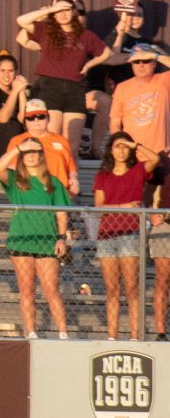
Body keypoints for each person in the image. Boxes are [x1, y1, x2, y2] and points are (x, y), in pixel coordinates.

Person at [0, 136, 72, 339]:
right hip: (22, 238)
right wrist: (18, 148)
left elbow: (61, 213)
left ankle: (63, 332)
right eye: (27, 153)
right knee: (27, 289)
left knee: (51, 289)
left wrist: (61, 237)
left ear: (41, 156)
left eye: (34, 152)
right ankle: (31, 332)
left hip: (46, 240)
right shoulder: (15, 179)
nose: (30, 156)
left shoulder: (53, 182)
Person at [16, 0, 106, 163]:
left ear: (74, 12)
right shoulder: (46, 30)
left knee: (71, 145)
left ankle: (71, 186)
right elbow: (21, 23)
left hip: (75, 88)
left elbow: (106, 53)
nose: (63, 13)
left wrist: (89, 64)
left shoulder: (85, 35)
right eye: (59, 10)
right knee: (51, 139)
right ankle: (49, 185)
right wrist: (48, 11)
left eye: (67, 9)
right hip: (50, 86)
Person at [92, 132, 154, 342]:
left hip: (130, 233)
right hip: (107, 234)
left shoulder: (137, 171)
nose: (120, 150)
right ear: (110, 150)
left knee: (131, 288)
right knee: (112, 288)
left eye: (124, 147)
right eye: (117, 146)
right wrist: (123, 207)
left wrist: (136, 144)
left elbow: (154, 159)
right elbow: (99, 208)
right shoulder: (102, 175)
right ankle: (112, 335)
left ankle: (135, 336)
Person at [106, 45, 169, 168]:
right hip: (134, 157)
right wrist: (122, 148)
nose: (141, 65)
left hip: (162, 154)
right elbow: (115, 123)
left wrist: (154, 55)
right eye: (136, 61)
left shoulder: (164, 81)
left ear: (154, 63)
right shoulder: (122, 88)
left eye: (145, 61)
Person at [12, 99, 80, 197]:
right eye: (31, 117)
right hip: (33, 194)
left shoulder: (61, 140)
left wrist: (73, 180)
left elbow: (71, 167)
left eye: (41, 116)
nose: (36, 120)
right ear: (25, 121)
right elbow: (12, 170)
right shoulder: (17, 141)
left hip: (60, 194)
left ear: (48, 118)